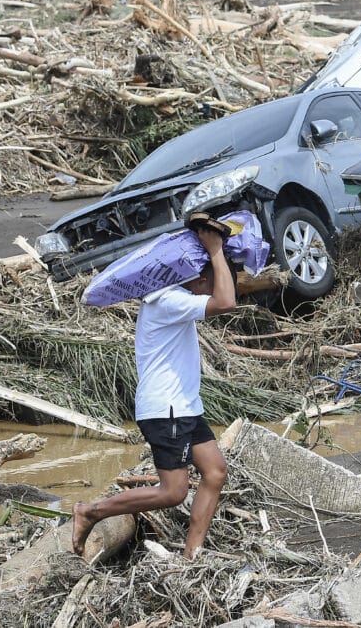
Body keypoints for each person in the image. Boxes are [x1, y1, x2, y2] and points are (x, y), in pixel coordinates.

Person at [72, 227, 237, 560]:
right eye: (213, 277)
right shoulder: (167, 300)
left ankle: (193, 554)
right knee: (173, 491)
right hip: (167, 409)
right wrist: (215, 249)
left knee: (215, 471)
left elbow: (222, 295)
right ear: (198, 277)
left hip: (184, 408)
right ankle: (91, 511)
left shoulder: (175, 298)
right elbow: (227, 301)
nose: (212, 286)